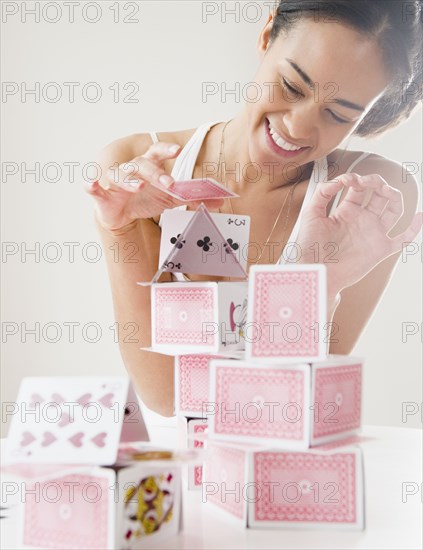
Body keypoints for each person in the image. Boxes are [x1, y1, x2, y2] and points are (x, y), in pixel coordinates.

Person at [85, 0, 422, 416]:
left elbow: (298, 411)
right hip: (176, 464)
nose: (298, 127)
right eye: (292, 87)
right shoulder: (141, 165)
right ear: (266, 36)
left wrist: (321, 284)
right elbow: (167, 397)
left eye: (337, 115)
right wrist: (117, 229)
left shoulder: (367, 198)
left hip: (283, 471)